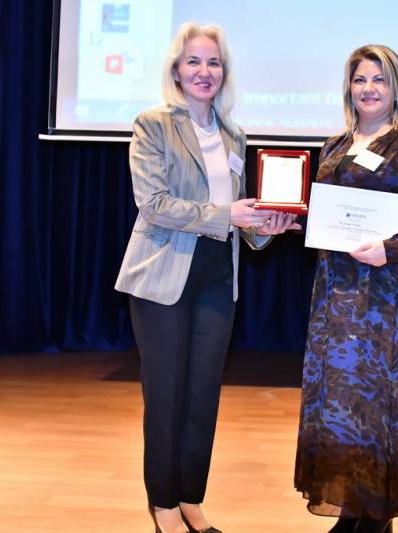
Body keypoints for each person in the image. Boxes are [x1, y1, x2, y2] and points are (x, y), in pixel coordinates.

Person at [115, 22, 299, 533]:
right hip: (164, 274)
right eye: (193, 61)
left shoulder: (233, 133)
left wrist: (265, 227)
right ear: (176, 70)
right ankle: (162, 504)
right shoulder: (153, 124)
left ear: (224, 72)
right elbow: (153, 204)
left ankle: (190, 498)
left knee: (202, 394)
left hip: (219, 274)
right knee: (166, 392)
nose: (204, 71)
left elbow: (238, 215)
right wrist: (228, 215)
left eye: (213, 62)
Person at [294, 45, 398, 533]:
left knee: (373, 404)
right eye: (360, 79)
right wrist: (290, 219)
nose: (369, 88)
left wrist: (391, 248)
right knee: (336, 404)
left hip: (380, 301)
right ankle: (352, 511)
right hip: (333, 298)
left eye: (379, 79)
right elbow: (324, 218)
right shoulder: (334, 146)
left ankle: (375, 517)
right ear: (349, 87)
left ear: (395, 88)